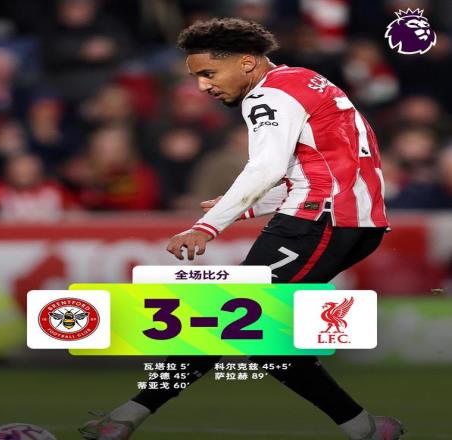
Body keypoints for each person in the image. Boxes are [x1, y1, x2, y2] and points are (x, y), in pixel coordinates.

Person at [79, 18, 405, 440]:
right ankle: (363, 428)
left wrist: (206, 226)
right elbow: (333, 169)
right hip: (352, 221)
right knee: (251, 332)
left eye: (209, 73)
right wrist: (248, 208)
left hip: (317, 223)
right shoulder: (305, 81)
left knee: (233, 321)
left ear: (247, 62)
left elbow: (266, 167)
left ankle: (125, 419)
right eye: (197, 77)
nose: (203, 87)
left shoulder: (268, 96)